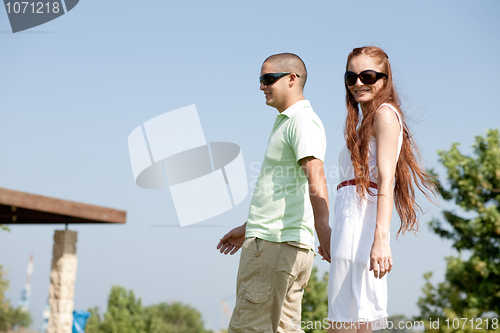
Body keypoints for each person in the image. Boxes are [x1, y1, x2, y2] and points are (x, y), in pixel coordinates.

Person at [318, 46, 435, 332]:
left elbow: (387, 179)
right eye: (351, 77)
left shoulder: (385, 114)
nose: (358, 83)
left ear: (384, 79)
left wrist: (381, 239)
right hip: (349, 226)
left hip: (362, 228)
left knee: (345, 324)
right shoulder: (362, 123)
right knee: (352, 323)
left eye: (367, 76)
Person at [216, 53, 331, 333]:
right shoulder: (289, 122)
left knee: (248, 328)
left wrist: (324, 230)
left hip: (273, 246)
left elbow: (315, 175)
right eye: (260, 80)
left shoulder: (300, 121)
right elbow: (285, 190)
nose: (261, 86)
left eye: (268, 79)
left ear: (292, 79)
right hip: (285, 244)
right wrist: (248, 227)